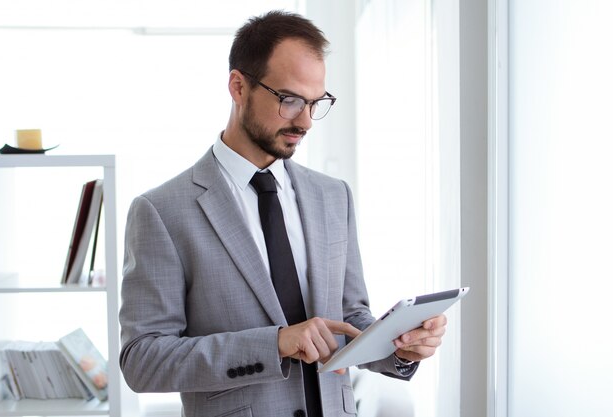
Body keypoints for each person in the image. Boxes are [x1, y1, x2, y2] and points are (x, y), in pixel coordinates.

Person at [119, 10, 447, 417]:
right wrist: (275, 343)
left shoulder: (333, 196)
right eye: (290, 100)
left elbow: (348, 317)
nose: (306, 121)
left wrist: (399, 346)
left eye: (316, 102)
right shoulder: (162, 212)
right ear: (238, 87)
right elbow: (143, 361)